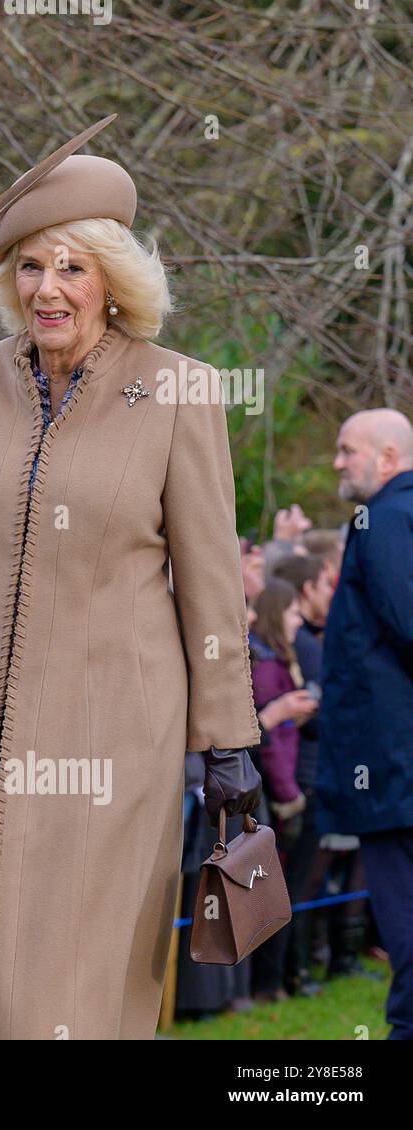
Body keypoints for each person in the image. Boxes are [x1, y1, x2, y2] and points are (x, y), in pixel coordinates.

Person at [0, 116, 261, 1040]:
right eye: (30, 267)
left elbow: (213, 584)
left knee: (72, 978)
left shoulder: (179, 389)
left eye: (73, 267)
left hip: (114, 737)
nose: (48, 289)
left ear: (114, 281)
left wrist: (228, 736)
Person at [318, 408, 413, 1040]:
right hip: (392, 767)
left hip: (393, 771)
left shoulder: (386, 517)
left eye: (348, 449)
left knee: (406, 929)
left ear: (386, 457)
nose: (337, 461)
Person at [248, 578, 317, 1001]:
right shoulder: (267, 668)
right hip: (271, 794)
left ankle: (276, 981)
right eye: (293, 613)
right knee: (272, 892)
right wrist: (289, 796)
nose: (299, 622)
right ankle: (268, 983)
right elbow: (269, 743)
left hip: (279, 788)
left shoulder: (282, 663)